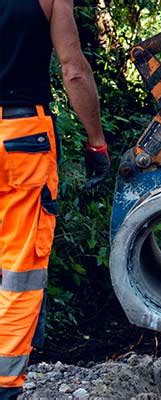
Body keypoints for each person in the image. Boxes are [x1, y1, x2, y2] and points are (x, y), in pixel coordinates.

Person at [0, 0, 111, 398]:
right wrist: (96, 142)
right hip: (22, 137)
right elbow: (74, 70)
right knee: (19, 270)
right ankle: (4, 385)